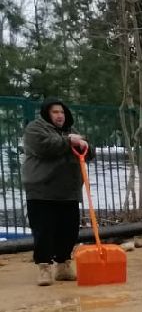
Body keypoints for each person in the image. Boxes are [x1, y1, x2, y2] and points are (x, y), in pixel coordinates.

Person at [21, 99, 88, 286]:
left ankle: (63, 265)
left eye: (62, 112)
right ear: (46, 114)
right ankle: (44, 267)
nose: (60, 115)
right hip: (42, 189)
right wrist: (69, 141)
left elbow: (87, 151)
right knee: (44, 230)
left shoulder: (71, 131)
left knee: (69, 229)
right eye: (55, 112)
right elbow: (44, 147)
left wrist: (84, 146)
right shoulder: (35, 129)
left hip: (68, 190)